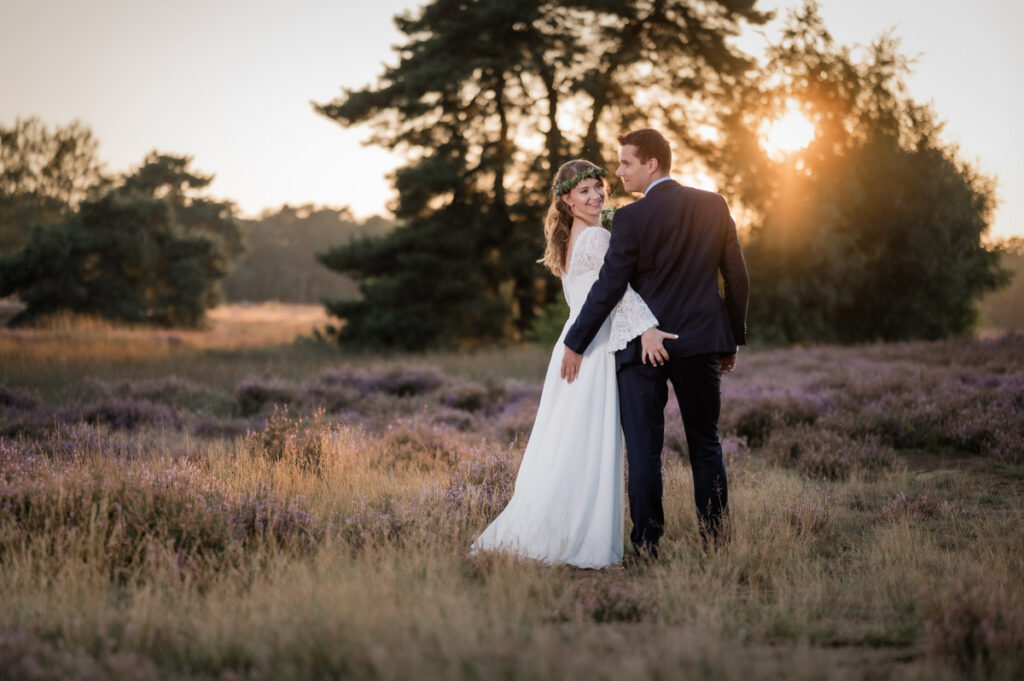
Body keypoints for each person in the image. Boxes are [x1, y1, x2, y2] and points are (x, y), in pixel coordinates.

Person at [471, 159, 675, 569]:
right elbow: (617, 291)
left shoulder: (568, 239)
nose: (596, 196)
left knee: (570, 439)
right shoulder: (597, 237)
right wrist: (649, 328)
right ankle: (579, 534)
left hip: (573, 343)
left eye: (599, 188)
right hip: (593, 348)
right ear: (565, 199)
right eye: (585, 192)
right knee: (588, 440)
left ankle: (556, 524)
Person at [562, 129, 749, 559]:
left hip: (640, 348)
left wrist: (576, 341)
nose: (619, 171)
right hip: (701, 341)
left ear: (652, 164)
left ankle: (647, 544)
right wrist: (731, 339)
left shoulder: (630, 219)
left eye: (626, 162)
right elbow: (737, 277)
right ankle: (716, 543)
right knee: (706, 443)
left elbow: (610, 286)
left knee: (645, 451)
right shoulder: (713, 205)